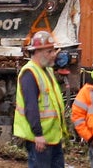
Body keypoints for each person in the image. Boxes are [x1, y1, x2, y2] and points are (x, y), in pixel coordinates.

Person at [13, 30, 69, 168]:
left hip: (52, 138)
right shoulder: (29, 73)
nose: (53, 55)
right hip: (40, 139)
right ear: (38, 52)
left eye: (53, 51)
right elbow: (31, 107)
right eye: (49, 51)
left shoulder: (46, 71)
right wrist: (38, 134)